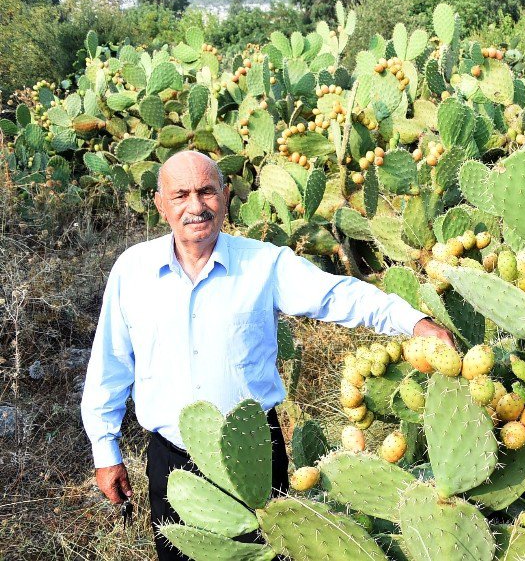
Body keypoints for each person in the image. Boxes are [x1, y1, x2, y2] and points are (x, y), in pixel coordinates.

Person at [80, 151, 452, 560]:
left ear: (225, 196)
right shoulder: (132, 270)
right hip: (172, 459)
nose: (196, 207)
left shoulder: (263, 263)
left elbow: (337, 295)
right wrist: (105, 449)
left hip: (254, 451)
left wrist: (414, 322)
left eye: (206, 192)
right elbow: (110, 365)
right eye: (181, 195)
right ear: (160, 204)